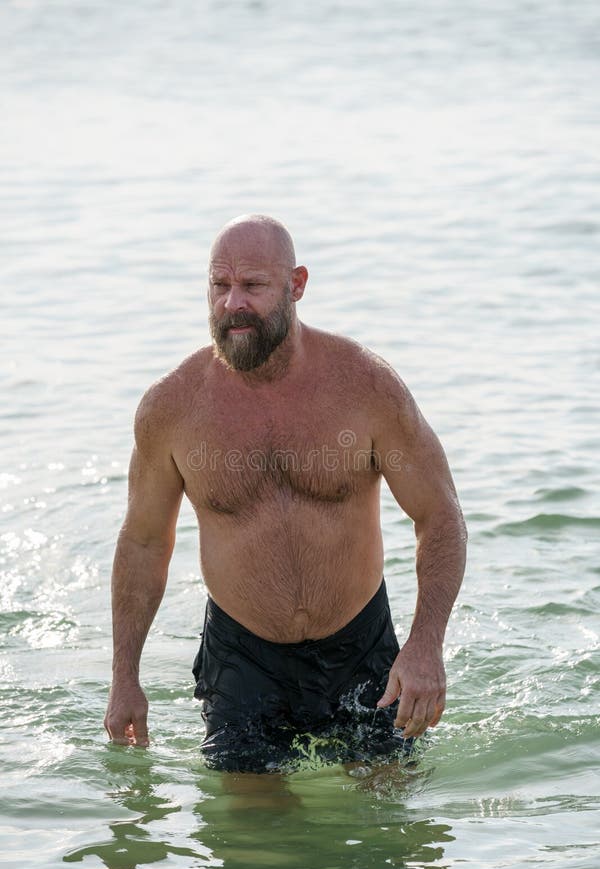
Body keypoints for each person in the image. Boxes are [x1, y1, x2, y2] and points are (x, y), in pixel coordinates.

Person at [104, 214, 467, 773]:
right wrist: (124, 678)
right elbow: (145, 543)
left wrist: (425, 646)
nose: (232, 304)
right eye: (219, 286)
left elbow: (440, 517)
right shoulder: (172, 409)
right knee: (257, 849)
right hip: (242, 660)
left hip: (360, 650)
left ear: (296, 285)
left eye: (252, 286)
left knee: (385, 838)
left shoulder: (366, 387)